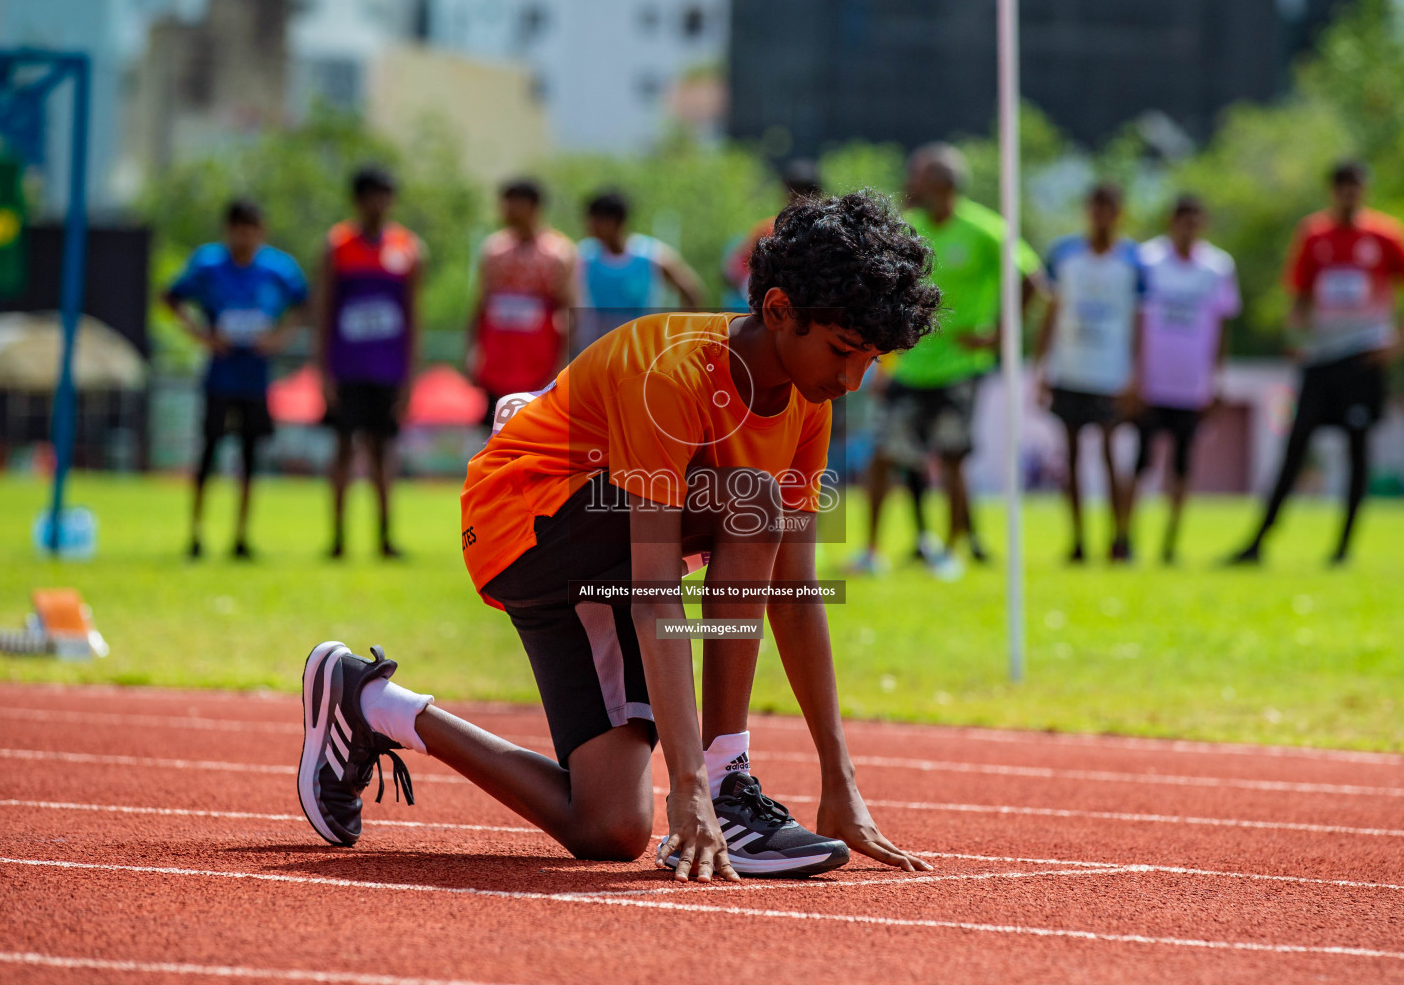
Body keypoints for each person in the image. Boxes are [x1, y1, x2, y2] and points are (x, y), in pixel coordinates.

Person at [297, 192, 940, 883]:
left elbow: (794, 591)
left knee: (611, 826)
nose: (851, 379)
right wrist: (690, 781)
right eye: (844, 351)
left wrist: (838, 782)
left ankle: (368, 702)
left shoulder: (808, 403)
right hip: (523, 523)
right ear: (779, 309)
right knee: (751, 502)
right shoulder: (672, 370)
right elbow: (657, 592)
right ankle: (728, 788)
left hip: (598, 562)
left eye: (870, 360)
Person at [851, 143, 1046, 579]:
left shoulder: (985, 228)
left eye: (919, 176)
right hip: (911, 364)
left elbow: (1033, 279)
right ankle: (872, 550)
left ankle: (950, 553)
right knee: (883, 455)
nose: (911, 182)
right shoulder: (911, 226)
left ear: (940, 183)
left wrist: (999, 333)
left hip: (960, 366)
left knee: (953, 458)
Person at [1229, 161, 1404, 566]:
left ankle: (1343, 549)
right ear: (1332, 191)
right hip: (1321, 359)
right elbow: (1299, 297)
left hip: (1363, 358)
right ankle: (1258, 542)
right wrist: (1294, 335)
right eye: (1342, 187)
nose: (1349, 195)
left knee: (1357, 451)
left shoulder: (1384, 234)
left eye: (1355, 187)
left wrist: (1398, 345)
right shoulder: (1313, 234)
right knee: (1295, 448)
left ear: (1365, 190)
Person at [163, 199, 308, 560]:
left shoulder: (278, 269)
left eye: (251, 228)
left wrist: (279, 338)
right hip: (220, 377)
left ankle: (241, 537)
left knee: (249, 458)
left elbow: (304, 303)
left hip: (255, 379)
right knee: (208, 455)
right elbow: (170, 297)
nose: (244, 236)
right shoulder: (208, 265)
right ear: (227, 230)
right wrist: (201, 336)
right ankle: (195, 535)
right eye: (237, 228)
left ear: (262, 232)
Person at [316, 166, 424, 560]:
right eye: (370, 195)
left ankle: (384, 538)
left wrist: (410, 377)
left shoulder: (408, 248)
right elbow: (323, 309)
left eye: (384, 195)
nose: (378, 204)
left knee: (383, 452)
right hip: (346, 368)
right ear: (357, 200)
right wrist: (323, 370)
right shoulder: (337, 245)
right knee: (343, 449)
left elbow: (414, 316)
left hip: (388, 370)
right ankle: (338, 539)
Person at [1035, 183, 1146, 563]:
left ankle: (1120, 537)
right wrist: (1042, 367)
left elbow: (1139, 321)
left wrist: (1136, 375)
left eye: (1109, 208)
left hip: (1111, 374)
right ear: (1087, 211)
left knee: (1113, 455)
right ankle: (1078, 540)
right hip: (1070, 370)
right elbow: (1051, 313)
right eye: (1096, 208)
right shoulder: (1064, 255)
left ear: (1120, 213)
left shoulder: (1134, 261)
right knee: (1071, 458)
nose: (1102, 216)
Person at [1132, 195, 1241, 564]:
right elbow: (1137, 319)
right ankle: (1128, 540)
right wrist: (1134, 374)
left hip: (1191, 386)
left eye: (1196, 220)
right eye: (1183, 219)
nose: (1188, 227)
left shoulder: (1217, 267)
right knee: (1140, 462)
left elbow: (1223, 326)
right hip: (1150, 383)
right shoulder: (1148, 261)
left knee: (1182, 465)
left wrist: (1217, 380)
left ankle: (1169, 544)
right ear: (1171, 221)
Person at [467, 178, 576, 429]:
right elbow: (481, 304)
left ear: (534, 206)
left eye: (514, 203)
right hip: (497, 361)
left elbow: (569, 310)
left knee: (534, 434)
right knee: (495, 434)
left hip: (540, 363)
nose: (507, 210)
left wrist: (563, 361)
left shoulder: (557, 253)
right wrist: (473, 351)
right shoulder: (494, 251)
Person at [570, 189, 705, 355]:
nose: (590, 226)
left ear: (616, 221)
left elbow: (691, 291)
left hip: (640, 350)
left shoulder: (651, 255)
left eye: (596, 220)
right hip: (596, 349)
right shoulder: (585, 255)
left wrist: (681, 339)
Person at [721, 158, 823, 311]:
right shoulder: (769, 230)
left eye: (803, 195)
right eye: (792, 195)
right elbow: (732, 270)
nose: (797, 202)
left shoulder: (825, 232)